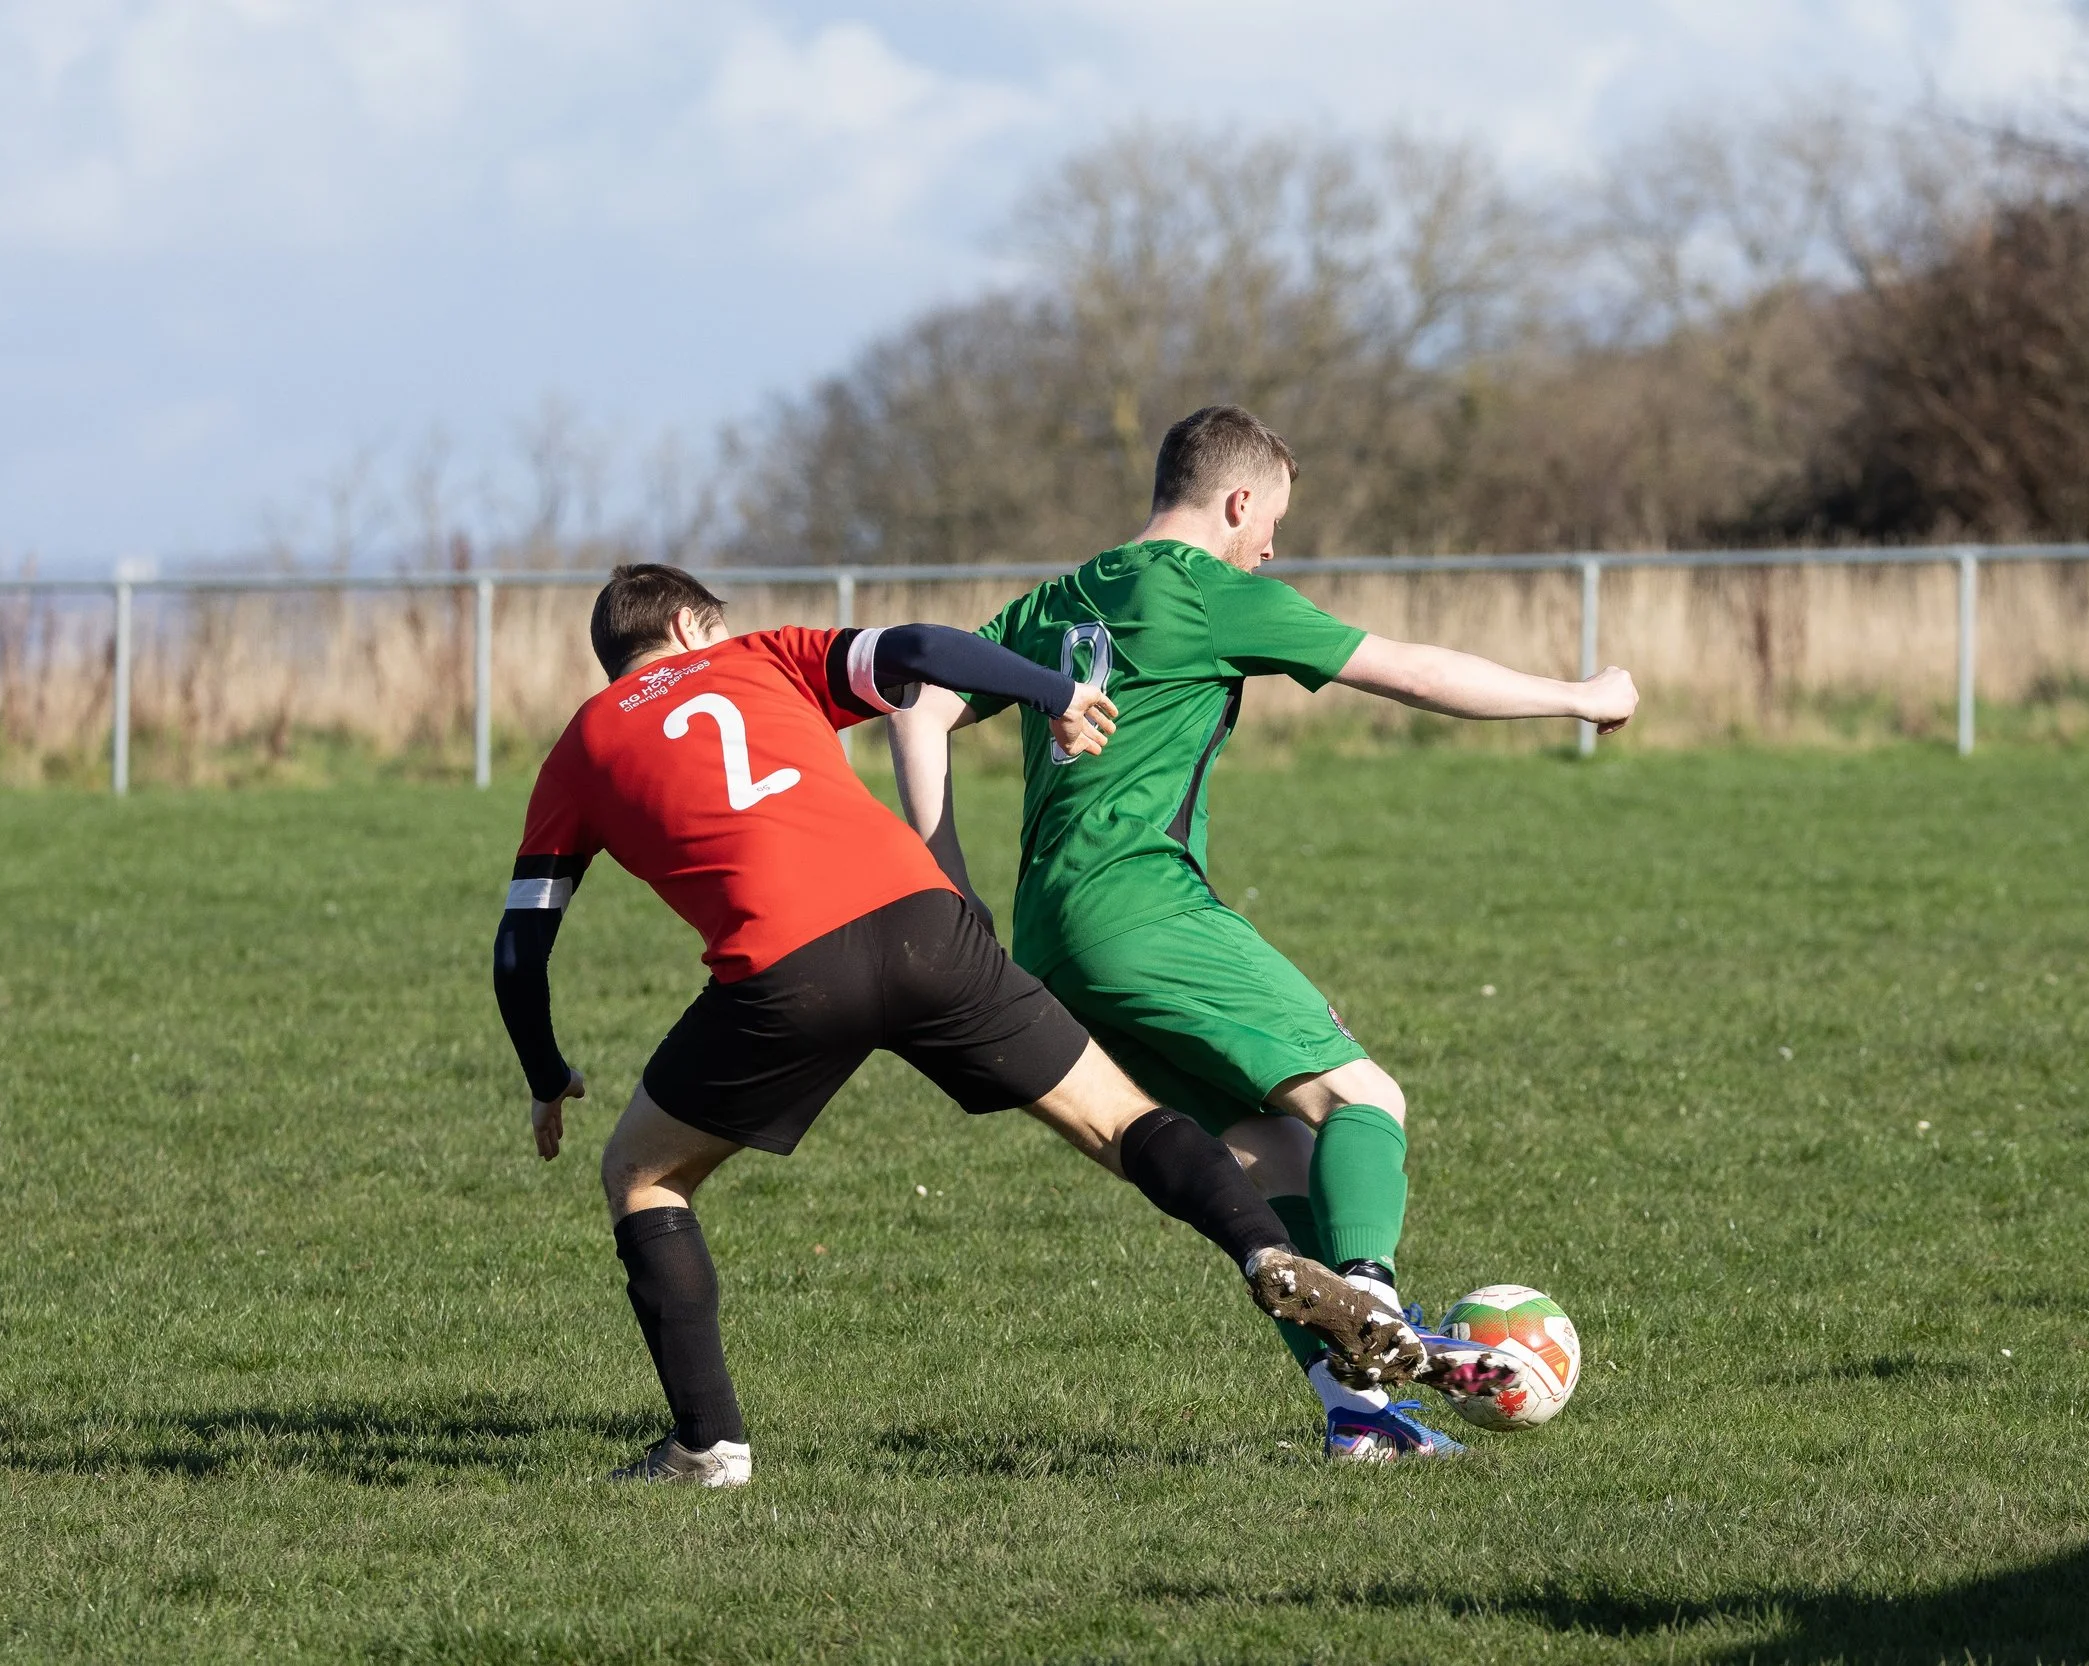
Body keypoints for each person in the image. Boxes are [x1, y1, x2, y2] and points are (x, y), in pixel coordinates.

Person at [492, 562, 1422, 1487]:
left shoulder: (581, 745)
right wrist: (1055, 689)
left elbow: (520, 947)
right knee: (1120, 1119)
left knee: (643, 1175)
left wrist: (545, 1073)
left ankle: (706, 1448)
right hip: (926, 923)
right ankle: (1266, 1250)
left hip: (787, 974)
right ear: (696, 625)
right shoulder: (762, 657)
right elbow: (927, 650)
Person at [888, 406, 1639, 1461]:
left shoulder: (1062, 598)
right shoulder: (1208, 593)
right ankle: (1373, 1309)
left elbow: (913, 699)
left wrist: (947, 886)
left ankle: (1360, 1418)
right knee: (1365, 1098)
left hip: (1052, 942)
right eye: (1270, 522)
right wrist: (1580, 693)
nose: (1271, 548)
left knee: (1278, 1156)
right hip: (1144, 908)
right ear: (1237, 501)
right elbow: (1412, 672)